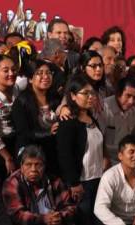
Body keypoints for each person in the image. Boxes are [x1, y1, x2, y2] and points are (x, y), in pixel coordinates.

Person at [56, 76, 107, 225]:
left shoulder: (91, 117)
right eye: (85, 93)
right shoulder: (68, 120)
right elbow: (65, 155)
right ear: (72, 96)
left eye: (92, 93)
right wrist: (73, 183)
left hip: (98, 179)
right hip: (81, 183)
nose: (90, 97)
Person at [2, 145, 76, 225]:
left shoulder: (54, 181)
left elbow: (70, 207)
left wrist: (59, 216)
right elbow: (17, 215)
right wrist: (44, 219)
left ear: (44, 166)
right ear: (22, 167)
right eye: (28, 165)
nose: (33, 170)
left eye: (38, 165)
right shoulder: (12, 183)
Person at [12, 60, 60, 175]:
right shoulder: (22, 101)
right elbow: (23, 133)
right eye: (39, 73)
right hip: (32, 153)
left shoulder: (56, 98)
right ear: (30, 79)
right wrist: (49, 132)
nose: (45, 76)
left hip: (53, 151)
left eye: (48, 73)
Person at [98, 76, 135, 165]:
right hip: (107, 160)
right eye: (128, 96)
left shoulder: (133, 110)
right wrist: (105, 158)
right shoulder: (104, 108)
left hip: (127, 158)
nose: (131, 101)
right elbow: (98, 139)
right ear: (118, 93)